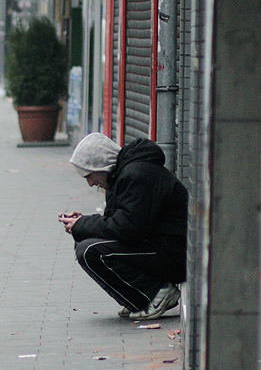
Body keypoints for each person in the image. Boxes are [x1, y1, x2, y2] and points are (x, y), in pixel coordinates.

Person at [58, 133, 188, 321]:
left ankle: (157, 294)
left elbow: (128, 229)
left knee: (90, 251)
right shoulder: (122, 176)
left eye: (89, 175)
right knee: (84, 243)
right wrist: (82, 223)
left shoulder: (136, 175)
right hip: (161, 247)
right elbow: (120, 223)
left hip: (174, 253)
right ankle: (140, 299)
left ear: (100, 166)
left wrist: (84, 224)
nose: (90, 183)